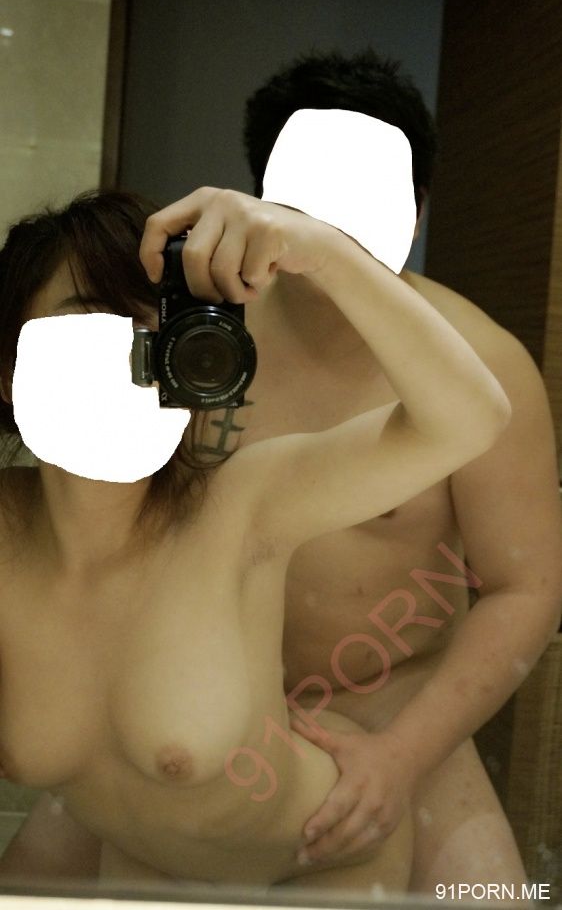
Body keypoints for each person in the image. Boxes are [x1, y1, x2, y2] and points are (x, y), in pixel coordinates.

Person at [0, 184, 512, 889]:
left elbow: (469, 418)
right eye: (90, 326)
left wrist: (322, 250)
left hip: (323, 861)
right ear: (9, 371)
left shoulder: (242, 504)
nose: (128, 360)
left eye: (154, 332)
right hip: (142, 866)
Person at [143, 50, 562, 892]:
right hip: (203, 694)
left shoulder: (482, 363)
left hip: (391, 700)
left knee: (492, 897)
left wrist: (402, 756)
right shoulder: (196, 337)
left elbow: (527, 587)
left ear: (416, 205)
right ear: (262, 196)